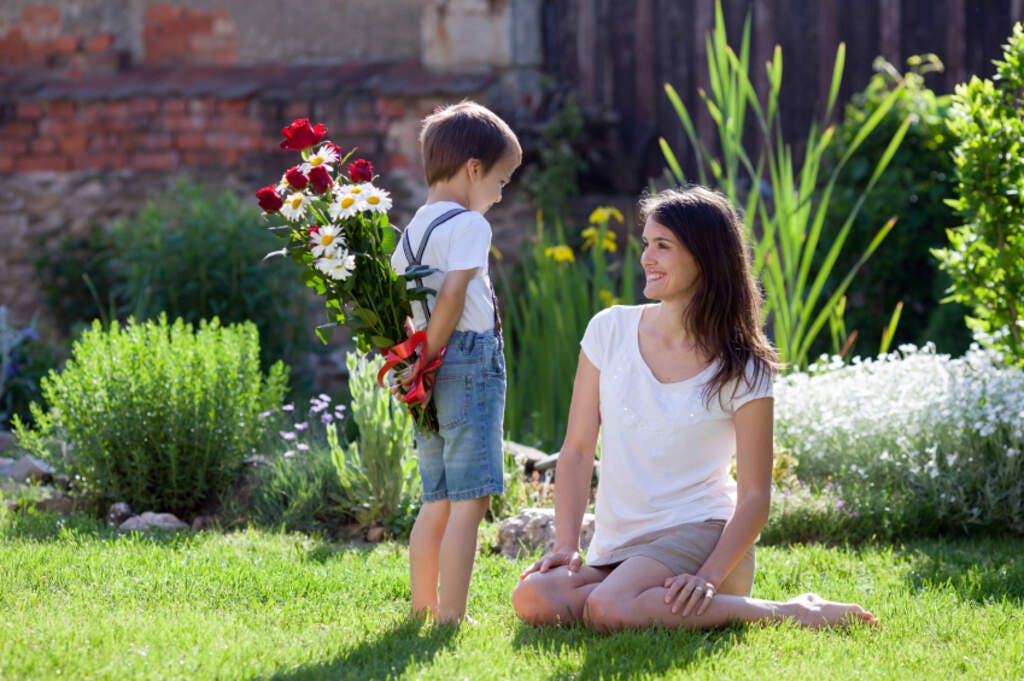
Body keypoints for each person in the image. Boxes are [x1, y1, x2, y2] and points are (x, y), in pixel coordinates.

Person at [512, 187, 876, 631]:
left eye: (663, 246)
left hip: (704, 536)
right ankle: (637, 599)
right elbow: (576, 450)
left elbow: (756, 497)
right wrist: (567, 545)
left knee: (607, 609)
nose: (647, 257)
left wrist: (708, 576)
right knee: (534, 597)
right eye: (646, 243)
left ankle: (793, 611)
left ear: (704, 257)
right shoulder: (609, 330)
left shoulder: (743, 365)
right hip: (624, 545)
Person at [391, 101, 521, 625]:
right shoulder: (469, 225)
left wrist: (417, 359)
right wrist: (426, 354)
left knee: (438, 497)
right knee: (472, 499)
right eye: (501, 179)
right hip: (466, 360)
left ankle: (423, 606)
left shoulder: (411, 232)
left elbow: (411, 307)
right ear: (473, 169)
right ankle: (451, 617)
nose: (500, 193)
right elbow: (452, 294)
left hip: (432, 369)